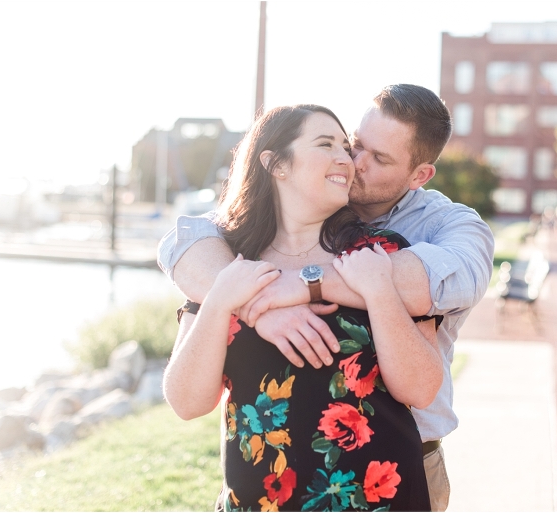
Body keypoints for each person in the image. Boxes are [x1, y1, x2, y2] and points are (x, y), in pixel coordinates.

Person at [158, 84, 496, 511]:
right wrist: (243, 302)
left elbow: (423, 380)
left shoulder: (386, 253)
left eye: (379, 158)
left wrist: (334, 286)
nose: (352, 162)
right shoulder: (229, 262)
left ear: (418, 175)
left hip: (378, 493)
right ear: (276, 164)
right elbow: (188, 402)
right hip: (261, 497)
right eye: (341, 144)